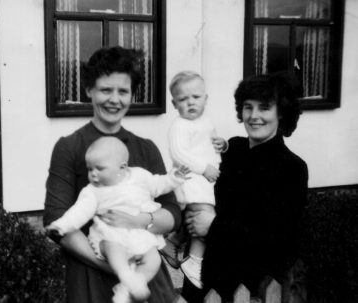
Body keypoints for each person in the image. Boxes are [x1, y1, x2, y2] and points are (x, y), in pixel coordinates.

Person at [44, 46, 185, 303]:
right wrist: (112, 266)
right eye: (105, 90)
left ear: (132, 95)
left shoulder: (145, 148)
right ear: (89, 90)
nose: (114, 99)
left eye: (123, 91)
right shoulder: (70, 147)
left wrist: (139, 221)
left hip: (145, 271)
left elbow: (173, 213)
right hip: (91, 273)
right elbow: (57, 219)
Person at [181, 72, 309, 302]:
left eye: (264, 108)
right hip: (204, 274)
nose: (254, 116)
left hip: (250, 284)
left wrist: (214, 225)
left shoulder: (292, 168)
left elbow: (278, 240)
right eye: (248, 107)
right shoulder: (233, 150)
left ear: (281, 112)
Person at [46, 137, 189, 303]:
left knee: (154, 260)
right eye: (90, 169)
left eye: (99, 169)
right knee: (116, 253)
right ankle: (125, 276)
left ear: (122, 167)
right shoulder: (93, 191)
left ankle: (128, 288)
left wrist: (174, 178)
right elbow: (78, 212)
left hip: (137, 234)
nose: (93, 174)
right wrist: (61, 225)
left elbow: (158, 184)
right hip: (109, 235)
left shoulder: (139, 176)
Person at [159, 71, 226, 289]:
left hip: (206, 181)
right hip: (192, 180)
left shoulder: (206, 121)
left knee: (196, 219)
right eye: (183, 99)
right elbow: (179, 153)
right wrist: (204, 168)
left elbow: (212, 144)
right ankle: (194, 261)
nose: (190, 103)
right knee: (205, 218)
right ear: (174, 104)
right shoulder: (180, 125)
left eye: (196, 97)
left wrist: (222, 145)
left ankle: (172, 242)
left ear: (206, 99)